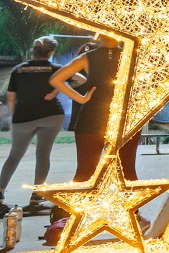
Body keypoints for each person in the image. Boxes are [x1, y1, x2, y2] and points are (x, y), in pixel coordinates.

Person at [51, 35, 137, 183]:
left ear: (100, 36)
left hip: (92, 117)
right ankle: (131, 206)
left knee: (85, 172)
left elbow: (56, 79)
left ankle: (75, 206)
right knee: (127, 172)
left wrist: (81, 99)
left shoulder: (87, 57)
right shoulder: (131, 56)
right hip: (124, 118)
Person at [0, 36, 64, 211]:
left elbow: (11, 97)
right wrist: (55, 91)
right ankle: (36, 194)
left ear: (33, 50)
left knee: (15, 155)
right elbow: (79, 80)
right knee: (43, 154)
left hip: (23, 117)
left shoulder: (19, 70)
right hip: (51, 115)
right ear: (51, 52)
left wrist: (13, 117)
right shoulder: (56, 69)